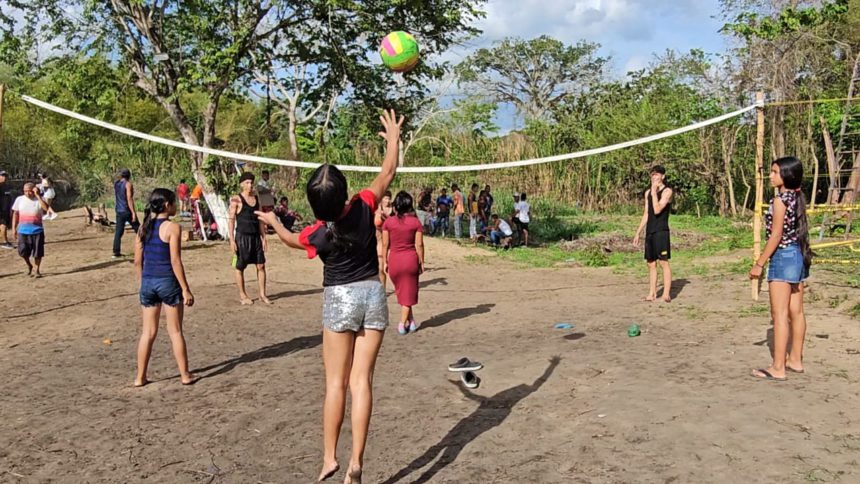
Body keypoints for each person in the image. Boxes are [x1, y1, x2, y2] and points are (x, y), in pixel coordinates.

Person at [256, 109, 403, 484]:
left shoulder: (318, 234)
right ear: (344, 192)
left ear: (315, 204)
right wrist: (392, 138)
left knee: (335, 384)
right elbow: (387, 173)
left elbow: (292, 240)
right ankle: (356, 461)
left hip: (339, 300)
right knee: (362, 382)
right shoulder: (365, 205)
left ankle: (328, 458)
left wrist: (272, 221)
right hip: (372, 294)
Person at [749, 157, 812, 381]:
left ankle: (778, 367)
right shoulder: (797, 195)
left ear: (786, 175)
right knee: (797, 311)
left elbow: (776, 235)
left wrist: (759, 263)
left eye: (775, 172)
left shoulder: (780, 200)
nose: (770, 175)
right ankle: (795, 359)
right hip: (798, 254)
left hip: (783, 257)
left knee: (780, 314)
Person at [133, 188, 196, 387]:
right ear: (167, 205)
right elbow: (175, 261)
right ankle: (185, 375)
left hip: (148, 283)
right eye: (174, 202)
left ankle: (140, 377)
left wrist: (143, 283)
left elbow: (137, 261)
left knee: (148, 333)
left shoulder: (143, 228)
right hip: (168, 282)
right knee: (175, 331)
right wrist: (185, 288)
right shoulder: (172, 228)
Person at [382, 191, 425, 335]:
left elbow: (385, 244)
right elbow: (419, 245)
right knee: (408, 292)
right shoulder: (415, 223)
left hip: (394, 260)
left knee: (404, 291)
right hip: (410, 260)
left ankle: (411, 322)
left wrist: (385, 262)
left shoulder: (388, 222)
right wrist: (421, 261)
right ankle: (402, 324)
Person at [227, 172, 270, 305]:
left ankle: (262, 294)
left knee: (261, 265)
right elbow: (231, 220)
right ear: (241, 184)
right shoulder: (236, 199)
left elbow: (261, 220)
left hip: (255, 237)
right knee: (239, 266)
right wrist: (231, 240)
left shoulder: (257, 199)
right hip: (242, 237)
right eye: (247, 182)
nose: (250, 185)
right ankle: (243, 295)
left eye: (251, 182)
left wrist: (264, 237)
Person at [633, 165, 673, 302]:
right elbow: (647, 213)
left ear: (663, 176)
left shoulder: (667, 192)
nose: (654, 177)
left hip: (661, 231)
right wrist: (638, 232)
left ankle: (666, 294)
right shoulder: (647, 193)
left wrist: (655, 192)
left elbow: (657, 210)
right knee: (650, 263)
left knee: (663, 262)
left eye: (657, 175)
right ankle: (652, 293)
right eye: (653, 175)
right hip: (650, 231)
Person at [11, 182, 49, 277]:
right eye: (25, 191)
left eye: (30, 191)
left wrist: (38, 195)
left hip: (37, 230)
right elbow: (15, 214)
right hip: (23, 231)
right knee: (23, 252)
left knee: (37, 252)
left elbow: (46, 209)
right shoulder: (19, 199)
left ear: (34, 190)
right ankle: (29, 265)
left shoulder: (39, 200)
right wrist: (14, 229)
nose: (27, 193)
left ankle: (37, 270)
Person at [113, 168, 140, 258]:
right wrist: (133, 212)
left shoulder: (116, 184)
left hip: (119, 210)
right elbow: (129, 198)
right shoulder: (128, 184)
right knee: (138, 229)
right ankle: (149, 246)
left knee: (118, 232)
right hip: (126, 210)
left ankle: (116, 252)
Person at [374, 191, 394, 289]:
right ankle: (381, 288)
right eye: (385, 198)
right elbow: (374, 222)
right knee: (379, 268)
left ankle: (384, 288)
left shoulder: (394, 210)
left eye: (389, 198)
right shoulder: (377, 209)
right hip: (378, 240)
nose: (387, 200)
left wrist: (386, 217)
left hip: (390, 241)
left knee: (386, 268)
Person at [0, 170, 13, 249]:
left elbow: (9, 198)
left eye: (5, 176)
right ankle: (5, 242)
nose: (4, 177)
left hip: (6, 209)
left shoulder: (6, 186)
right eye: (2, 175)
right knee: (3, 225)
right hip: (1, 210)